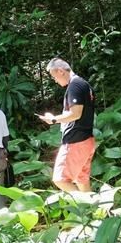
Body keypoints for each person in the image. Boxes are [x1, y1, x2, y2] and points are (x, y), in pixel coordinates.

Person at [39, 58, 96, 192]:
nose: (55, 80)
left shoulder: (75, 85)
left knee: (60, 179)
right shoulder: (83, 84)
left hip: (76, 141)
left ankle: (85, 205)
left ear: (60, 71)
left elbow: (75, 114)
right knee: (81, 179)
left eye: (54, 76)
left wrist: (53, 120)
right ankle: (93, 211)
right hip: (86, 140)